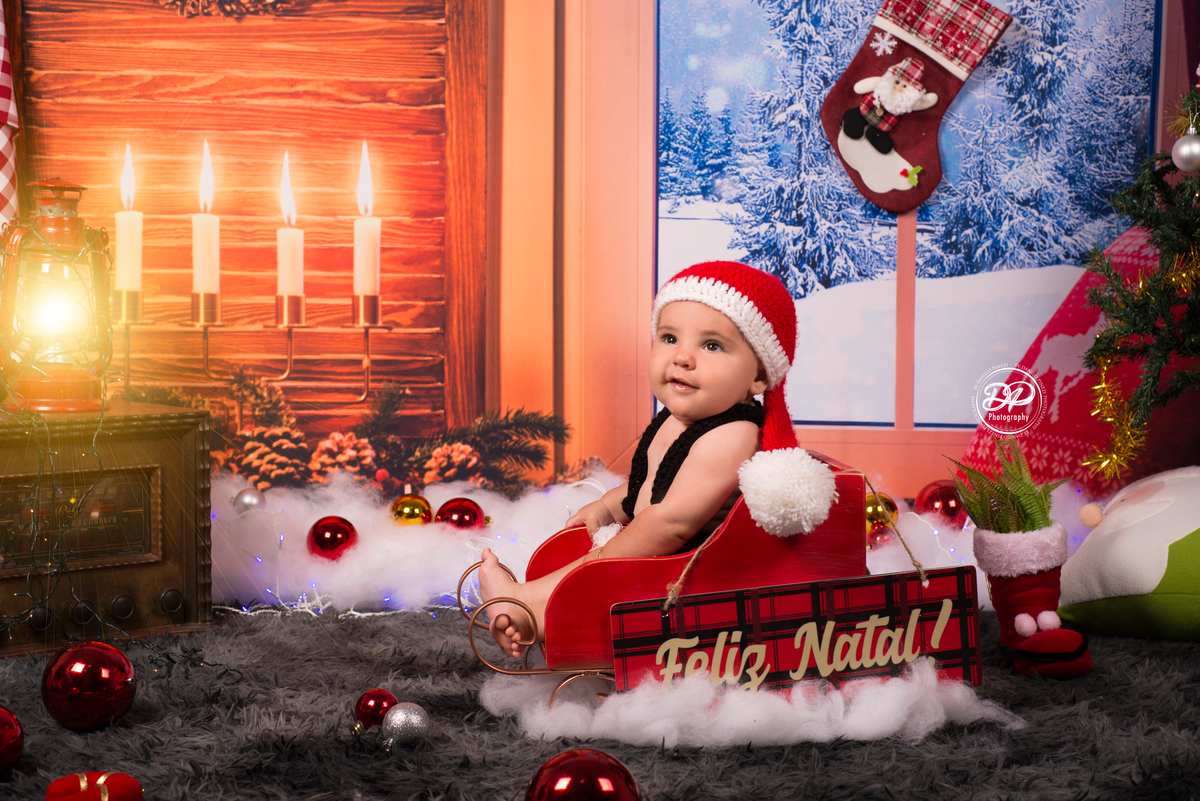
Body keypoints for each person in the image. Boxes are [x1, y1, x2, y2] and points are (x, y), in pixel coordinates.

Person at [478, 261, 836, 658]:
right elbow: (645, 484)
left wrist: (605, 556)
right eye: (669, 338)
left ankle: (526, 598)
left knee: (604, 573)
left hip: (690, 571)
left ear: (758, 378)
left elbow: (673, 523)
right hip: (653, 550)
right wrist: (607, 505)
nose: (682, 358)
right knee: (600, 568)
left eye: (712, 345)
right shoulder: (677, 419)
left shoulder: (732, 435)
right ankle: (537, 621)